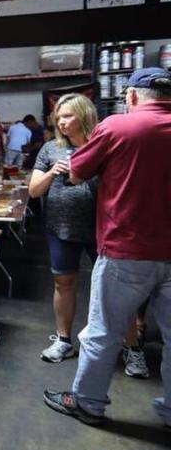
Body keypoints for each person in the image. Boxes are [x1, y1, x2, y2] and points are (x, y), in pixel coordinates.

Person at [44, 68, 171, 428]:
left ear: (131, 95)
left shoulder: (118, 126)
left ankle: (88, 402)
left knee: (103, 331)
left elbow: (78, 171)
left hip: (126, 248)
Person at [28, 94, 99, 362]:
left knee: (112, 288)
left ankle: (130, 345)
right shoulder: (51, 149)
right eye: (58, 117)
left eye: (68, 115)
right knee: (64, 284)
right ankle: (64, 340)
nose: (61, 121)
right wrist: (51, 172)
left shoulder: (102, 144)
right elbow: (34, 192)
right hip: (61, 227)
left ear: (84, 114)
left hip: (102, 228)